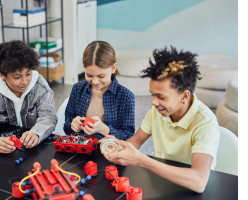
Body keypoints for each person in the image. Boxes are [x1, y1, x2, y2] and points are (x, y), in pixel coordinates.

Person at [100, 46, 220, 193]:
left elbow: (199, 182)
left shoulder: (205, 123)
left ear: (184, 96)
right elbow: (136, 141)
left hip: (192, 191)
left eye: (161, 97)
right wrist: (117, 145)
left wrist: (142, 160)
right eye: (152, 95)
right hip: (163, 184)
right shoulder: (156, 113)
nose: (153, 102)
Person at [0, 40, 57, 153]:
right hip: (4, 148)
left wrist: (36, 133)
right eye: (17, 77)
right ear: (1, 74)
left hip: (34, 149)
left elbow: (48, 117)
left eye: (28, 74)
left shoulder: (41, 88)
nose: (24, 81)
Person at [63, 40, 135, 140]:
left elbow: (129, 135)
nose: (95, 81)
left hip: (109, 152)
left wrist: (104, 129)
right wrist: (72, 124)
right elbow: (67, 125)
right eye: (89, 75)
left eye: (101, 76)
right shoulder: (77, 89)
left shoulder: (126, 96)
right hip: (80, 149)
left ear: (113, 68)